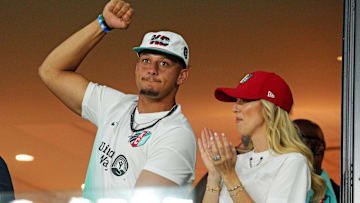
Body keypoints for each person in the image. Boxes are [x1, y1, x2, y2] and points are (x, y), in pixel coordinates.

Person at [38, 0, 196, 200]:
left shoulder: (176, 135)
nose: (152, 70)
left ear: (182, 76)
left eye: (164, 63)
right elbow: (51, 71)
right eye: (146, 60)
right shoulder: (116, 105)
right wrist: (102, 24)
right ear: (137, 66)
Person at [197, 71, 326, 203]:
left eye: (245, 100)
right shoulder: (236, 163)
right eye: (236, 101)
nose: (235, 108)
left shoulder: (292, 162)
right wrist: (214, 175)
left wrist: (230, 176)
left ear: (269, 108)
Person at [294, 119, 339, 203]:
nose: (320, 148)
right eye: (312, 143)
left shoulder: (343, 194)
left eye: (321, 144)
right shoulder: (274, 187)